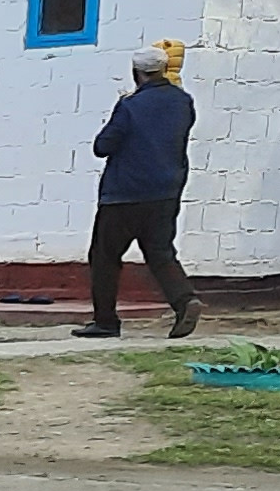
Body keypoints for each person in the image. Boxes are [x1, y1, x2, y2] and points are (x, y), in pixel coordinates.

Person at [79, 46, 199, 339]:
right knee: (160, 253)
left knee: (105, 256)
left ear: (137, 73)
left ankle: (105, 321)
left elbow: (103, 146)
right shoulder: (183, 102)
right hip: (167, 192)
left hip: (124, 194)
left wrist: (119, 109)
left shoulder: (131, 105)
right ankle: (185, 301)